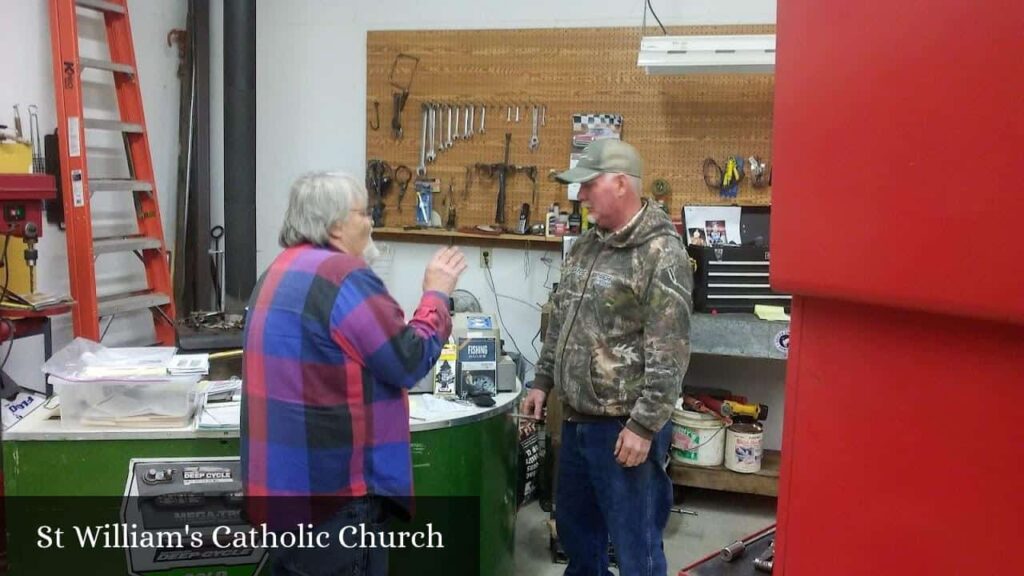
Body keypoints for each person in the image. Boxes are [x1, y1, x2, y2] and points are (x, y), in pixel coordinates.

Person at [242, 171, 467, 575]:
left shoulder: (276, 272)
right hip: (335, 502)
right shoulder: (344, 280)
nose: (371, 222)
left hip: (282, 497)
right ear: (335, 225)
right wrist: (436, 293)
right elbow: (409, 360)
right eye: (364, 214)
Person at [522, 139, 693, 576]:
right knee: (578, 539)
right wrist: (542, 381)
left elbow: (670, 351)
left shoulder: (660, 253)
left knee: (637, 548)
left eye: (588, 185)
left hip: (624, 429)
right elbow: (561, 319)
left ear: (620, 184)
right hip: (577, 421)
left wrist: (644, 425)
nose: (579, 196)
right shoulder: (586, 246)